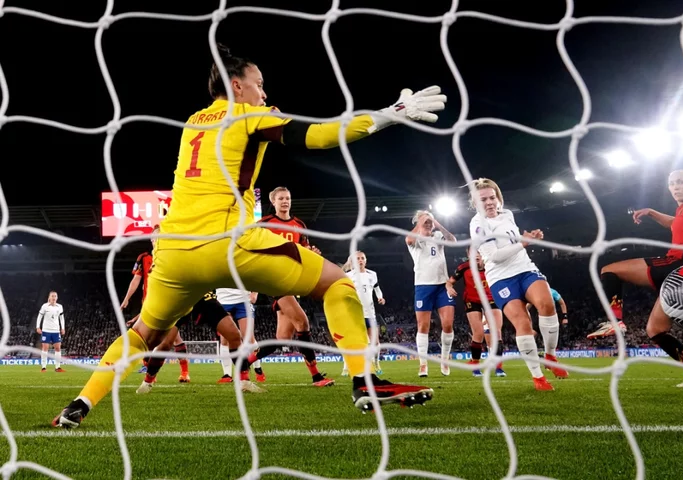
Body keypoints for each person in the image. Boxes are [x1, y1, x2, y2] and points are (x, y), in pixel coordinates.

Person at [52, 44, 444, 427]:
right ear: (236, 85)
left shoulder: (192, 123)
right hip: (229, 243)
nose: (264, 91)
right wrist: (391, 114)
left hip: (174, 254)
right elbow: (321, 135)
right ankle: (364, 380)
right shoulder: (249, 114)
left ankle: (80, 403)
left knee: (141, 334)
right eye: (259, 83)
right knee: (339, 286)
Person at [588, 170, 683, 388]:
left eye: (681, 182)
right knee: (655, 330)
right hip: (682, 273)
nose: (675, 187)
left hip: (680, 265)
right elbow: (673, 224)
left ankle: (615, 320)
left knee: (609, 270)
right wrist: (651, 212)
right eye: (671, 183)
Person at [469, 178, 568, 391]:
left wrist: (527, 237)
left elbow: (513, 243)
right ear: (476, 203)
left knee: (547, 303)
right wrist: (523, 243)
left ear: (498, 197)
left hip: (525, 269)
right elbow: (494, 256)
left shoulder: (508, 215)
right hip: (501, 278)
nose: (489, 202)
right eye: (483, 199)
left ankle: (550, 355)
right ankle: (538, 377)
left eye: (492, 197)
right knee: (523, 323)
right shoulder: (478, 225)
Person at [240, 186, 334, 387]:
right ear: (272, 202)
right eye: (281, 198)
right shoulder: (264, 224)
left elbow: (304, 252)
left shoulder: (298, 224)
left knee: (281, 338)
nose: (285, 201)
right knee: (303, 323)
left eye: (288, 198)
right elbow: (250, 246)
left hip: (293, 282)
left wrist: (312, 254)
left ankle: (243, 363)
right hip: (275, 281)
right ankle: (316, 376)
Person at [135, 291, 251, 394]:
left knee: (234, 335)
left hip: (202, 295)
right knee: (165, 344)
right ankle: (148, 381)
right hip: (180, 296)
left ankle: (244, 381)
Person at [121, 225, 190, 382]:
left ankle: (183, 372)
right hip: (150, 306)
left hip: (170, 304)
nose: (154, 240)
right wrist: (126, 299)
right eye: (152, 238)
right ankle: (151, 370)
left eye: (158, 237)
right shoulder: (144, 258)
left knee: (172, 339)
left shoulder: (173, 257)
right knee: (148, 339)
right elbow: (136, 280)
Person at [406, 210, 456, 377]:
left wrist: (437, 222)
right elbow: (409, 239)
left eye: (429, 221)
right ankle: (423, 364)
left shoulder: (438, 236)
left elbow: (453, 240)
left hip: (442, 285)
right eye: (424, 221)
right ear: (418, 223)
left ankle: (444, 360)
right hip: (423, 286)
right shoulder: (416, 238)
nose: (428, 223)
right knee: (423, 326)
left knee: (448, 324)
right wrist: (420, 222)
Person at [446, 248, 506, 377]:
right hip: (472, 300)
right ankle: (476, 365)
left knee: (497, 332)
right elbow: (449, 282)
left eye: (478, 253)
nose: (476, 256)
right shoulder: (464, 267)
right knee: (478, 333)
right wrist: (449, 288)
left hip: (492, 299)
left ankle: (499, 367)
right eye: (472, 254)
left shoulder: (493, 265)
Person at [343, 251, 386, 375]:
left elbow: (377, 289)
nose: (360, 260)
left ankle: (376, 364)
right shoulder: (348, 276)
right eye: (358, 258)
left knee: (375, 342)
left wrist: (380, 297)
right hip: (354, 313)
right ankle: (346, 367)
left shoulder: (372, 274)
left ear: (365, 260)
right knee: (351, 341)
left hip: (370, 314)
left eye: (362, 258)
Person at [216, 288, 262, 383]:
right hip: (223, 301)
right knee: (224, 339)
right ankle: (227, 374)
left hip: (244, 300)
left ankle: (258, 368)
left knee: (249, 338)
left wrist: (255, 292)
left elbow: (256, 275)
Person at [36, 291, 65, 373]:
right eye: (52, 296)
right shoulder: (45, 306)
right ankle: (43, 367)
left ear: (57, 297)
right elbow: (39, 316)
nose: (54, 297)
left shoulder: (60, 307)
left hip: (56, 331)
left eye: (55, 296)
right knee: (45, 348)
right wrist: (38, 327)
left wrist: (63, 328)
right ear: (49, 297)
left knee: (58, 348)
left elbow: (61, 318)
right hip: (46, 330)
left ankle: (58, 367)